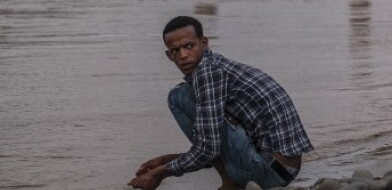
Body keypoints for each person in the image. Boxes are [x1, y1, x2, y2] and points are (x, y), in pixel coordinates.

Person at [129, 16, 313, 190]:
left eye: (189, 46)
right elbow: (214, 144)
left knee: (178, 96)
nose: (183, 55)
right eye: (175, 50)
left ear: (204, 43)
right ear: (169, 55)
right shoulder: (216, 66)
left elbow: (210, 148)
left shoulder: (207, 73)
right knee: (197, 109)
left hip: (269, 172)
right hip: (281, 169)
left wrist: (162, 173)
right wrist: (169, 159)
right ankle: (231, 181)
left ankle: (230, 184)